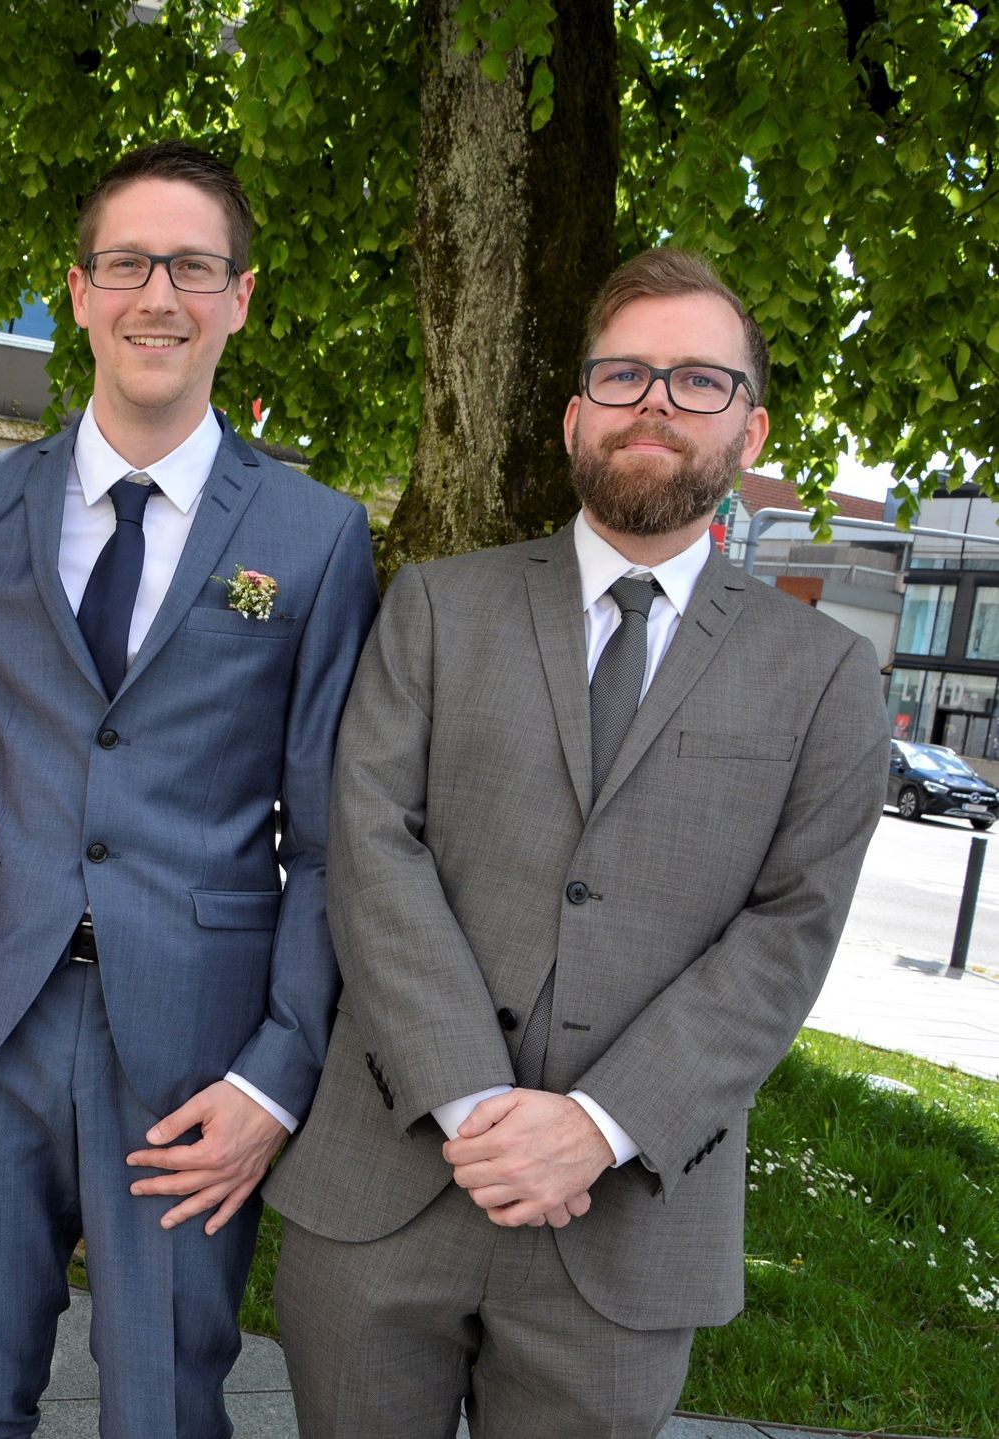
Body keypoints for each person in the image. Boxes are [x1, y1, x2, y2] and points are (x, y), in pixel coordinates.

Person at [266, 248, 891, 1437]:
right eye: (624, 373)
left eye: (698, 381)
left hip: (627, 1220)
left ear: (749, 431)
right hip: (389, 1179)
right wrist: (471, 1102)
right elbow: (368, 842)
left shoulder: (823, 676)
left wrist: (593, 1128)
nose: (655, 400)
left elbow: (787, 934)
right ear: (573, 415)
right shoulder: (439, 606)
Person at [0, 140, 379, 1438]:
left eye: (192, 266)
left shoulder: (313, 536)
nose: (158, 293)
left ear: (239, 297)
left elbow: (335, 839)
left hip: (196, 1057)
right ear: (79, 288)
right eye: (128, 263)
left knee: (162, 1401)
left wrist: (275, 1078)